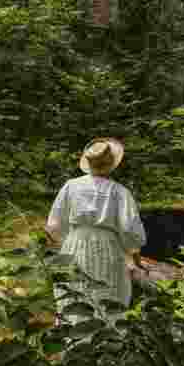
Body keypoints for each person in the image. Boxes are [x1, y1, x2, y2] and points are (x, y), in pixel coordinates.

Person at [45, 137, 148, 328]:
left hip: (75, 244)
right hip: (108, 247)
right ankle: (107, 346)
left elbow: (54, 226)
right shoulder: (119, 192)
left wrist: (65, 243)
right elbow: (130, 231)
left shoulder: (71, 186)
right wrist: (135, 262)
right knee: (109, 294)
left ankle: (73, 342)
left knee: (74, 294)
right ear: (111, 165)